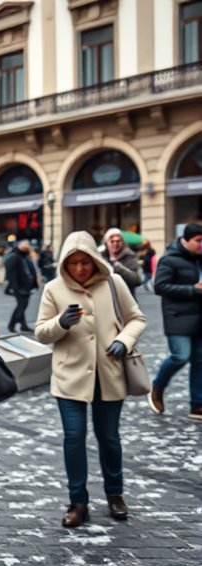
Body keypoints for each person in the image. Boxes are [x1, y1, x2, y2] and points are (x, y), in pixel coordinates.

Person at [34, 231, 146, 528]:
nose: (81, 268)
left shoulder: (114, 282)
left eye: (86, 262)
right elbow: (41, 332)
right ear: (65, 263)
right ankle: (78, 501)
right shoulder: (54, 289)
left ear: (95, 260)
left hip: (109, 374)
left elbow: (137, 318)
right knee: (73, 437)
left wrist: (124, 340)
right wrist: (61, 323)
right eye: (74, 263)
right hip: (70, 376)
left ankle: (115, 493)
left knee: (108, 437)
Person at [149, 224, 202, 419]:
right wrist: (193, 289)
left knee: (200, 360)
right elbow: (160, 287)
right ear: (186, 240)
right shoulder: (170, 259)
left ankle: (197, 405)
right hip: (177, 317)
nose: (201, 245)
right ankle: (157, 386)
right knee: (181, 355)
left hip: (199, 318)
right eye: (198, 241)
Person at [3, 240, 37, 333]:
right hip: (19, 286)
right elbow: (10, 270)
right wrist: (13, 285)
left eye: (27, 246)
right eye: (25, 246)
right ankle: (11, 324)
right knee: (21, 306)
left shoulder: (25, 256)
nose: (27, 247)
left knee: (22, 305)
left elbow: (31, 270)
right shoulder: (15, 256)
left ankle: (23, 325)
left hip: (26, 286)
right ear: (19, 246)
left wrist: (34, 283)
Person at [101, 228, 143, 298]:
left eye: (118, 241)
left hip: (126, 299)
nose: (115, 244)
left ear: (123, 242)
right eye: (112, 241)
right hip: (105, 298)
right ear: (106, 243)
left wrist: (117, 267)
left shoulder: (130, 256)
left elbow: (137, 280)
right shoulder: (100, 257)